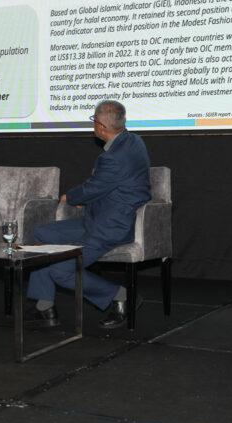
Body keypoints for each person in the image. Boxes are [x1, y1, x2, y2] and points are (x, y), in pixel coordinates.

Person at [24, 100, 151, 330]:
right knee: (42, 233)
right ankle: (45, 307)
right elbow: (110, 186)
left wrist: (70, 197)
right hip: (99, 218)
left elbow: (93, 188)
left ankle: (121, 296)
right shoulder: (135, 141)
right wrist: (89, 199)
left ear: (101, 127)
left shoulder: (112, 158)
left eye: (93, 120)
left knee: (61, 270)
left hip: (111, 227)